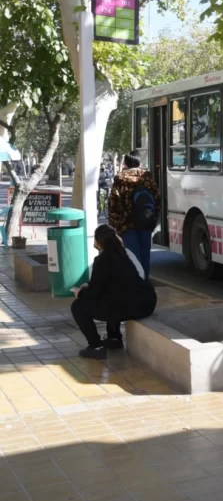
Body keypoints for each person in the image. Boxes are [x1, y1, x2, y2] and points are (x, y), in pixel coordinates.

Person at [71, 225, 157, 359]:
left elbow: (94, 293)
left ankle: (96, 347)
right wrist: (90, 285)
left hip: (130, 307)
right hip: (147, 303)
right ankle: (114, 338)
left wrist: (80, 293)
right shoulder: (126, 253)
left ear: (98, 242)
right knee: (114, 295)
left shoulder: (102, 260)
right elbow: (137, 275)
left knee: (78, 307)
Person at [107, 151, 160, 279]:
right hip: (145, 222)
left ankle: (136, 282)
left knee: (133, 255)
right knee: (145, 254)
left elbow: (113, 203)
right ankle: (144, 282)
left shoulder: (120, 179)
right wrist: (152, 219)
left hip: (127, 224)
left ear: (125, 164)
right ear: (139, 162)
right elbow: (157, 199)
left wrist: (115, 223)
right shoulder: (147, 177)